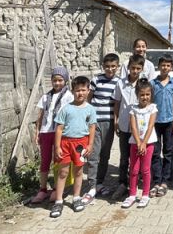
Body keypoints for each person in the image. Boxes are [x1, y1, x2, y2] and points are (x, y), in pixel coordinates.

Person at [50, 76, 97, 218]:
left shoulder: (90, 109)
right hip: (65, 143)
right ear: (73, 91)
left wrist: (90, 144)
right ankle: (58, 201)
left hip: (81, 144)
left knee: (78, 172)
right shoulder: (66, 109)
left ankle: (76, 198)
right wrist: (57, 147)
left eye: (83, 90)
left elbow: (92, 127)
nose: (80, 93)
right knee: (63, 172)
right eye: (77, 90)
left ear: (88, 91)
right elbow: (59, 129)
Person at [32, 67, 73, 204]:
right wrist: (37, 131)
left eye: (60, 80)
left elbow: (70, 115)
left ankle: (57, 188)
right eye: (54, 80)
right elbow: (41, 115)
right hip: (46, 132)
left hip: (60, 133)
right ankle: (42, 189)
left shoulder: (69, 96)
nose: (57, 83)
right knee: (45, 161)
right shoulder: (45, 97)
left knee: (58, 161)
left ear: (65, 81)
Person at [83, 54, 119, 203]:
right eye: (107, 66)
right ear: (103, 66)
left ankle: (99, 183)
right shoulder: (96, 79)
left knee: (105, 154)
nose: (110, 69)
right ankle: (91, 186)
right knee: (93, 154)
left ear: (118, 67)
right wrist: (88, 117)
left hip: (109, 122)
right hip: (95, 122)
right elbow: (89, 98)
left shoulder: (118, 82)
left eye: (113, 66)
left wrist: (116, 121)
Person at [121, 79, 159, 208]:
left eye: (147, 94)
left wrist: (144, 143)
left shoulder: (152, 108)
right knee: (134, 169)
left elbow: (150, 126)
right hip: (135, 143)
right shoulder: (133, 109)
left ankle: (145, 194)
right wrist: (138, 142)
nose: (145, 97)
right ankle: (132, 194)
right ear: (137, 95)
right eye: (142, 94)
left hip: (148, 143)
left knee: (145, 169)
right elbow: (134, 127)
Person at [112, 54, 145, 199]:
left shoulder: (144, 84)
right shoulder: (120, 83)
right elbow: (117, 102)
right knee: (124, 156)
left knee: (139, 155)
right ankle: (122, 184)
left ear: (142, 69)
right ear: (128, 68)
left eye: (138, 68)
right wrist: (116, 119)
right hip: (125, 124)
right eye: (133, 68)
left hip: (140, 127)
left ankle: (137, 182)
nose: (135, 71)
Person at [149, 54, 173, 197]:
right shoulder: (153, 83)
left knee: (168, 152)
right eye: (163, 65)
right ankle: (156, 180)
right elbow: (149, 103)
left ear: (171, 67)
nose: (165, 68)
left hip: (169, 122)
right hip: (155, 122)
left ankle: (165, 181)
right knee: (155, 152)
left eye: (168, 65)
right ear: (159, 66)